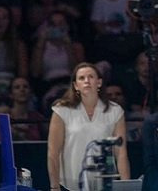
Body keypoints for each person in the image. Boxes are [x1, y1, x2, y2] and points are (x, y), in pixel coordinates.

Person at [47, 63, 130, 191]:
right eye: (81, 78)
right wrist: (54, 187)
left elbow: (121, 153)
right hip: (70, 185)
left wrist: (126, 186)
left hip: (105, 183)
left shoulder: (115, 111)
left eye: (91, 77)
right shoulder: (62, 110)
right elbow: (53, 153)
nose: (86, 81)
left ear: (99, 82)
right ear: (75, 85)